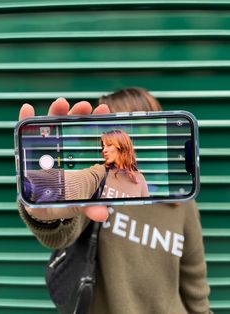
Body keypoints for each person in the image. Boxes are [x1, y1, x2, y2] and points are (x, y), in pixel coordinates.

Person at [18, 88, 213, 314]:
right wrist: (43, 208)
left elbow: (195, 283)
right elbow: (61, 234)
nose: (102, 145)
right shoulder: (96, 185)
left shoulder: (182, 201)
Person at [100, 129, 149, 198]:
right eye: (103, 146)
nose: (104, 150)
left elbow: (146, 207)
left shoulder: (139, 178)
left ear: (122, 146)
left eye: (109, 145)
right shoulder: (101, 173)